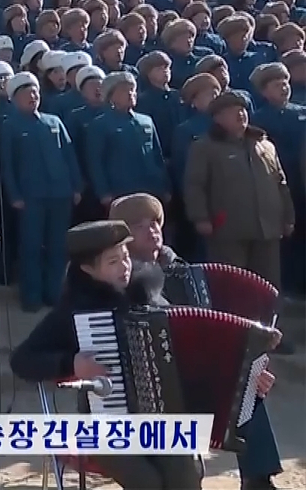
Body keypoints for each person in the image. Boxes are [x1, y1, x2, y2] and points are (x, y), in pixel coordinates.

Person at [9, 219, 203, 490]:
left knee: (184, 472)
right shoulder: (74, 311)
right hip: (104, 426)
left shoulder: (148, 296)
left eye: (125, 257)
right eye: (112, 262)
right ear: (87, 269)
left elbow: (186, 343)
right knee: (148, 482)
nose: (125, 267)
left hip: (159, 418)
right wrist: (71, 363)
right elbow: (22, 360)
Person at [113, 193, 285, 490]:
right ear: (124, 235)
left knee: (250, 386)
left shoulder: (185, 272)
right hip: (148, 384)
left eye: (155, 221)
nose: (152, 229)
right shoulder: (121, 277)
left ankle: (258, 480)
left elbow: (218, 335)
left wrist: (249, 369)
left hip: (198, 376)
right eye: (139, 225)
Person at [183, 91, 294, 291]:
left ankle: (268, 320)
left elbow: (280, 182)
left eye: (243, 109)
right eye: (233, 111)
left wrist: (288, 217)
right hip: (228, 229)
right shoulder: (204, 147)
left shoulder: (264, 144)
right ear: (218, 118)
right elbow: (195, 185)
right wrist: (200, 217)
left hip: (267, 228)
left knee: (267, 284)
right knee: (232, 284)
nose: (241, 114)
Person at [0, 73, 83, 311]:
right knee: (31, 246)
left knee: (58, 246)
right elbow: (7, 164)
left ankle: (54, 293)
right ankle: (31, 296)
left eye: (35, 92)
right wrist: (14, 195)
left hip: (60, 193)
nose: (33, 96)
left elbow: (69, 155)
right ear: (15, 98)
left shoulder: (54, 121)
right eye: (27, 93)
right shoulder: (10, 125)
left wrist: (76, 186)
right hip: (30, 196)